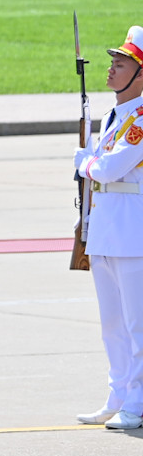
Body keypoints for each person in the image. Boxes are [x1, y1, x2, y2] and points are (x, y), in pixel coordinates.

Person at [77, 26, 143, 430]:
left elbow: (109, 167)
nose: (110, 70)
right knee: (112, 324)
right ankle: (118, 393)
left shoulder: (139, 122)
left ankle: (137, 401)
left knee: (138, 324)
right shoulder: (112, 116)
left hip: (133, 233)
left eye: (121, 64)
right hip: (105, 228)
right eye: (113, 63)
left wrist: (82, 162)